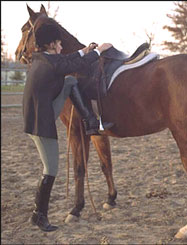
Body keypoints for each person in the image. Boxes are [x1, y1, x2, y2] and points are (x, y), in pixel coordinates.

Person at [23, 23, 113, 232]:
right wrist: (99, 51)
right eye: (59, 43)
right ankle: (39, 215)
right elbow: (76, 65)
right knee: (50, 170)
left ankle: (91, 121)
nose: (62, 46)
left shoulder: (43, 58)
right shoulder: (52, 63)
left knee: (70, 81)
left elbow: (67, 61)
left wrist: (85, 50)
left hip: (41, 113)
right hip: (41, 124)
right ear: (52, 44)